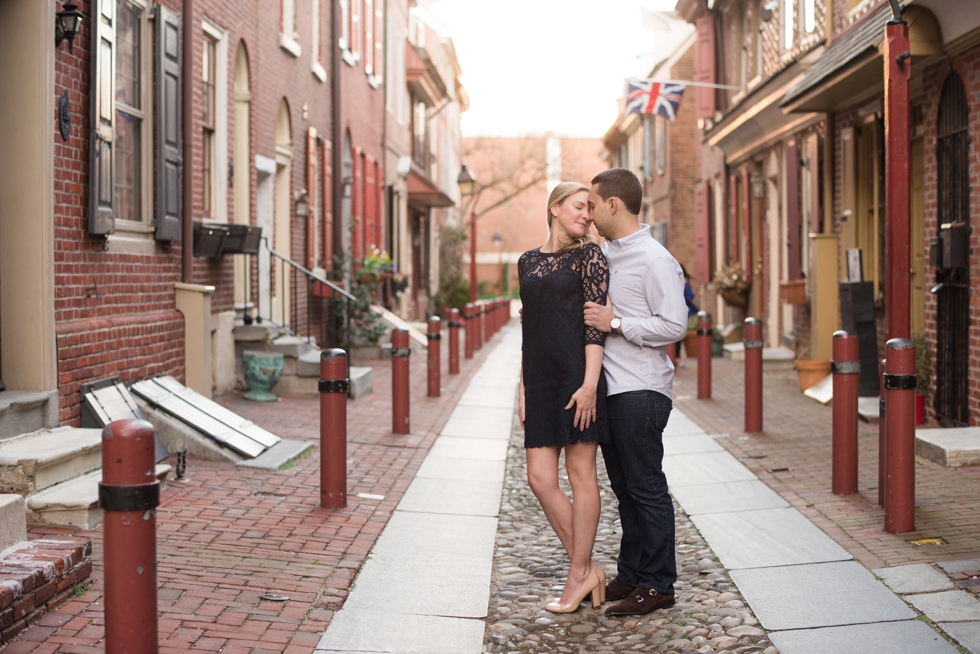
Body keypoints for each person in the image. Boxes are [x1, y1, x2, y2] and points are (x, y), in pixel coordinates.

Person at [583, 168, 688, 616]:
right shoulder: (604, 254)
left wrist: (618, 323)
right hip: (611, 390)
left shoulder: (654, 259)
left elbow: (675, 325)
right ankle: (632, 571)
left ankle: (659, 583)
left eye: (591, 204)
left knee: (647, 489)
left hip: (641, 391)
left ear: (612, 204)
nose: (586, 213)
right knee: (625, 489)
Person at [518, 181, 611, 614]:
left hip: (577, 375)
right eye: (579, 206)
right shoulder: (527, 261)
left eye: (590, 209)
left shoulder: (590, 256)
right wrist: (521, 385)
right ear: (555, 208)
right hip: (539, 379)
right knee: (539, 477)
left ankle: (577, 575)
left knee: (579, 470)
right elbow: (529, 329)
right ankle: (588, 566)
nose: (587, 215)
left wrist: (590, 383)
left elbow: (595, 326)